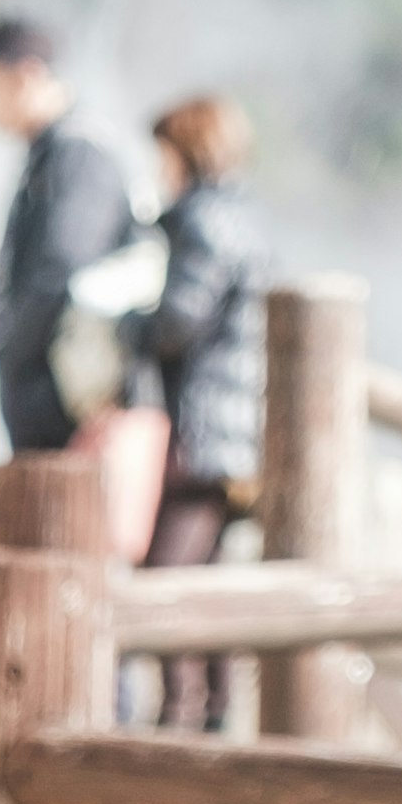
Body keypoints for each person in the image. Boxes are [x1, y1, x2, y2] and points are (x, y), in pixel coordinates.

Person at [142, 89, 263, 727]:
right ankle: (212, 716)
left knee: (169, 575)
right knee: (207, 575)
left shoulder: (202, 220)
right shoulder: (245, 216)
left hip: (204, 425)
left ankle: (179, 719)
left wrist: (124, 321)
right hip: (235, 428)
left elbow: (178, 321)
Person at [0, 15, 142, 457]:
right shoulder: (51, 152)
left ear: (26, 75)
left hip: (62, 399)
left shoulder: (77, 153)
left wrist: (10, 345)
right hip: (47, 388)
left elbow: (62, 263)